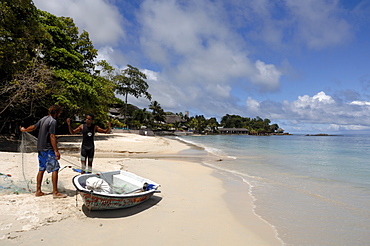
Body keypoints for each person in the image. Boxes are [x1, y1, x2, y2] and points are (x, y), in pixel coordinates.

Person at [20, 105, 67, 198]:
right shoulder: (53, 121)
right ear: (56, 113)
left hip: (40, 148)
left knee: (41, 169)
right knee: (55, 169)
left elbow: (33, 127)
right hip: (48, 149)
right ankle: (55, 192)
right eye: (59, 113)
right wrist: (56, 151)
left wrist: (25, 130)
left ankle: (38, 191)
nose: (60, 115)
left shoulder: (44, 119)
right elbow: (52, 136)